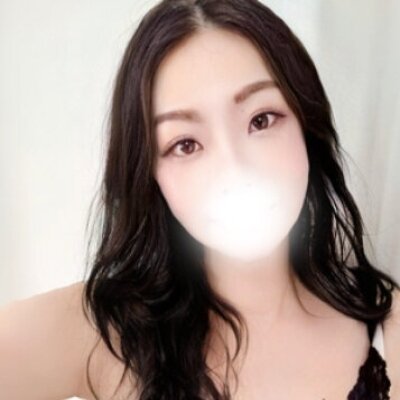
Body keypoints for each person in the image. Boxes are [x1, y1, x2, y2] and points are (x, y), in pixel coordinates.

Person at [1, 0, 400, 399]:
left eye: (260, 120)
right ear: (150, 176)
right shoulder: (101, 334)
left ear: (305, 125)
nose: (235, 168)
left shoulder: (390, 329)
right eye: (186, 144)